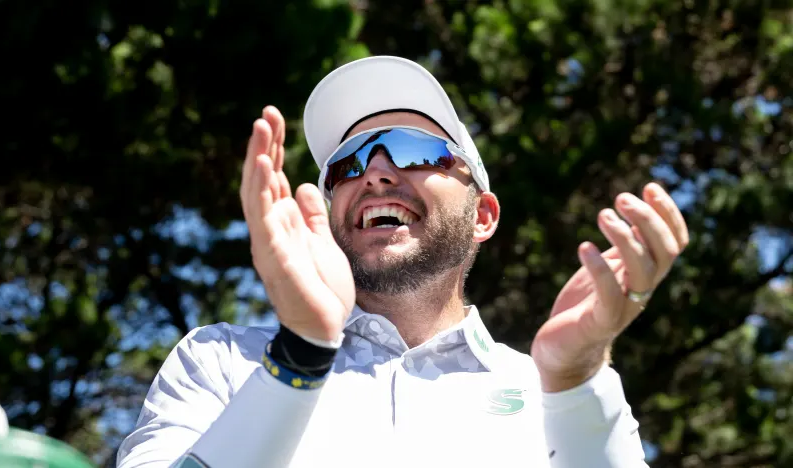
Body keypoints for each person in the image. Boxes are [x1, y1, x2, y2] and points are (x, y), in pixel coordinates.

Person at [116, 56, 689, 468]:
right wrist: (302, 354)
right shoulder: (220, 360)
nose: (377, 172)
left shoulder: (564, 392)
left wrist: (574, 381)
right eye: (348, 164)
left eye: (417, 151)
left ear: (483, 216)